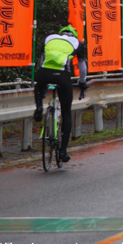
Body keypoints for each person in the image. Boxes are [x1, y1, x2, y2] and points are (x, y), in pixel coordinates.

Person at [33, 25, 88, 163]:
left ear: (60, 33)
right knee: (66, 112)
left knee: (39, 86)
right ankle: (63, 151)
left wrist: (42, 77)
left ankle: (39, 106)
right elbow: (82, 67)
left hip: (44, 73)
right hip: (62, 76)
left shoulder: (49, 38)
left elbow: (42, 59)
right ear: (74, 35)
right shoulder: (77, 43)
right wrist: (82, 82)